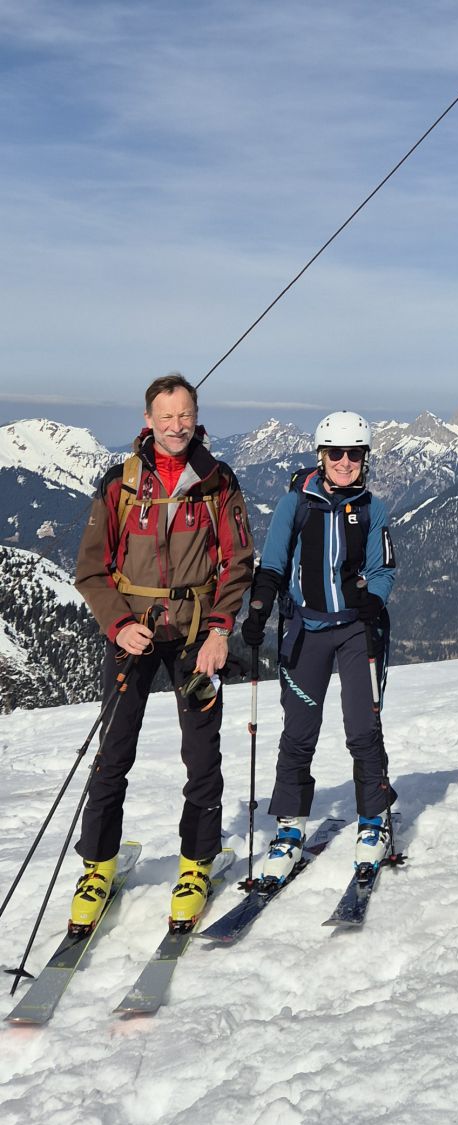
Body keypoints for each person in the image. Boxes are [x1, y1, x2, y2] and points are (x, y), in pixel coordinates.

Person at [71, 373, 254, 927]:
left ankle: (197, 861)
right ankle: (98, 863)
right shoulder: (121, 484)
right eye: (166, 416)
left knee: (203, 754)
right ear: (147, 421)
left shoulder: (218, 483)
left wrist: (221, 630)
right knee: (114, 750)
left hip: (197, 635)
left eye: (186, 415)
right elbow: (91, 570)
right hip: (135, 631)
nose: (176, 426)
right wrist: (118, 624)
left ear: (197, 417)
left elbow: (238, 563)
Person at [243, 411, 398, 880]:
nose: (345, 462)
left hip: (355, 630)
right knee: (299, 730)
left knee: (362, 728)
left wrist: (374, 600)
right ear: (321, 455)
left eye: (355, 454)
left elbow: (383, 569)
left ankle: (374, 819)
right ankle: (290, 827)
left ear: (365, 458)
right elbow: (271, 564)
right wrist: (258, 609)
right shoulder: (297, 504)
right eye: (337, 453)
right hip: (305, 629)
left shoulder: (373, 508)